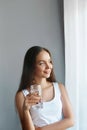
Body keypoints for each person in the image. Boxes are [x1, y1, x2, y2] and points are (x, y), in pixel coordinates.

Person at [15, 46, 74, 130]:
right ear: (31, 66)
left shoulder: (59, 88)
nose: (49, 66)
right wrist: (26, 110)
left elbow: (70, 120)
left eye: (50, 61)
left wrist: (42, 129)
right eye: (42, 63)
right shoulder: (22, 95)